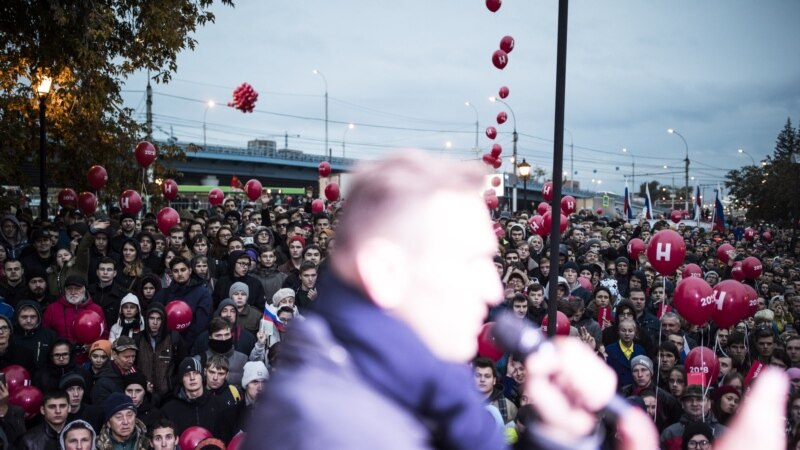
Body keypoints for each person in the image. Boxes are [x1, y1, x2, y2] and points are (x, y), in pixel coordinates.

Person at [243, 152, 656, 449]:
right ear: (384, 272)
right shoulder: (330, 430)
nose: (494, 290)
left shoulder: (428, 388)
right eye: (468, 261)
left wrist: (562, 435)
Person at [161, 357, 235, 442]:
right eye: (187, 374)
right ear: (181, 379)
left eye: (196, 373)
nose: (192, 378)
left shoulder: (220, 406)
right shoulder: (169, 410)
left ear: (202, 375)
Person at [152, 256, 212, 346]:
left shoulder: (203, 293)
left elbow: (202, 324)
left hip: (192, 345)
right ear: (172, 273)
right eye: (176, 271)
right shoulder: (163, 294)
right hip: (167, 344)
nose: (180, 274)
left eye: (183, 270)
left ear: (190, 270)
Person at [91, 336, 138, 405]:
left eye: (133, 356)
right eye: (126, 357)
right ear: (114, 355)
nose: (131, 361)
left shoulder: (136, 373)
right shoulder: (103, 382)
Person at [13, 298, 56, 368]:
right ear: (17, 317)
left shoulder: (49, 336)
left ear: (39, 317)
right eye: (24, 317)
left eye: (33, 317)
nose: (29, 320)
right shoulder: (10, 336)